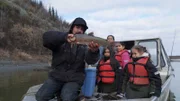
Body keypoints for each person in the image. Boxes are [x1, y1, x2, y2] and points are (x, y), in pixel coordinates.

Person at [35, 17, 100, 101]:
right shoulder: (60, 40)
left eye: (82, 29)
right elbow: (46, 38)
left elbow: (91, 61)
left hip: (74, 79)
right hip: (56, 77)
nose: (79, 30)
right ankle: (59, 92)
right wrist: (64, 37)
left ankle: (74, 95)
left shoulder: (85, 46)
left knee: (67, 97)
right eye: (77, 27)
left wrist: (93, 52)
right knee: (40, 97)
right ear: (72, 28)